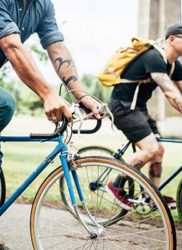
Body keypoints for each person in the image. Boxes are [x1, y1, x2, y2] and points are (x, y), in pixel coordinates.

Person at [0, 0, 102, 227]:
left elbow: (56, 47)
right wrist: (47, 94)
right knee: (6, 102)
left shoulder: (42, 5)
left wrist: (80, 94)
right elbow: (11, 45)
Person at [106, 23, 182, 210]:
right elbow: (171, 94)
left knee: (159, 150)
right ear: (171, 39)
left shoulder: (174, 66)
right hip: (123, 108)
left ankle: (151, 196)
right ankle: (115, 185)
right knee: (150, 149)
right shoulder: (154, 57)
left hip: (139, 109)